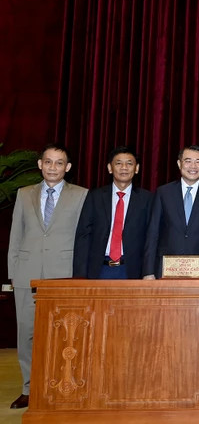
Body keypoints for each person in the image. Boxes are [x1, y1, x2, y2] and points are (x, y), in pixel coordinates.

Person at [7, 144, 88, 409]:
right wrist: (13, 273)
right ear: (40, 164)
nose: (53, 167)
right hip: (26, 276)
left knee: (65, 336)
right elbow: (15, 237)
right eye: (49, 162)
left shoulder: (82, 196)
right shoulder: (23, 194)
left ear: (68, 167)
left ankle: (62, 385)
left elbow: (84, 238)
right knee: (27, 334)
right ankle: (29, 389)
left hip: (63, 275)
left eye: (59, 163)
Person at [73, 146, 153, 279]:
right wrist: (80, 274)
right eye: (118, 163)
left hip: (132, 271)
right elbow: (83, 236)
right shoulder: (95, 197)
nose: (124, 167)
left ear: (137, 168)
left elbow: (151, 238)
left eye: (129, 163)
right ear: (110, 168)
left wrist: (149, 272)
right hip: (99, 270)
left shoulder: (147, 199)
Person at [143, 145, 199, 278]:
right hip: (165, 270)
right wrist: (148, 271)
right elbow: (153, 233)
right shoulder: (164, 193)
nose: (193, 166)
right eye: (188, 161)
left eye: (198, 162)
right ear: (179, 164)